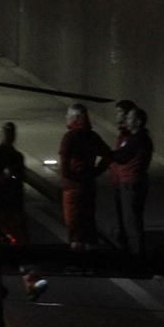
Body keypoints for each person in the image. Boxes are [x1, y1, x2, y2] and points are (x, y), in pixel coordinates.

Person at [57, 103, 112, 251]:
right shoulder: (92, 136)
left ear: (75, 118)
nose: (66, 118)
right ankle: (91, 258)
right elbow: (108, 155)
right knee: (88, 223)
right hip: (88, 185)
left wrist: (68, 176)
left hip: (73, 187)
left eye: (68, 115)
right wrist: (95, 172)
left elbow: (64, 163)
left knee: (74, 227)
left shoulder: (70, 137)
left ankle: (78, 261)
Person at [109, 106, 154, 256]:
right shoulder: (138, 138)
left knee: (132, 222)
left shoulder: (138, 139)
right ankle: (134, 251)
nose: (126, 120)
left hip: (132, 183)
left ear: (138, 122)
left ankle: (137, 254)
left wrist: (105, 153)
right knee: (132, 220)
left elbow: (123, 156)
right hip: (132, 182)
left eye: (130, 118)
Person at [0, 121, 28, 243]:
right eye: (7, 133)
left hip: (7, 206)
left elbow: (19, 182)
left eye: (10, 133)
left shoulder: (16, 156)